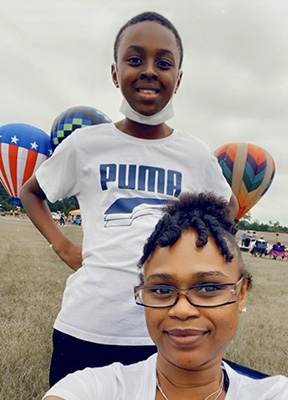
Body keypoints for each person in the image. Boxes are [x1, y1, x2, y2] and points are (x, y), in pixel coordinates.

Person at [20, 11, 237, 386]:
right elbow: (31, 192)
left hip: (162, 329)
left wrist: (199, 261)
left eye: (164, 62)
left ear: (179, 78)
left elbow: (227, 208)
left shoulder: (195, 154)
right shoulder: (87, 144)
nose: (150, 70)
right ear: (115, 73)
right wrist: (63, 246)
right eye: (135, 59)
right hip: (87, 325)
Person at [42, 193, 288, 400]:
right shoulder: (93, 388)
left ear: (241, 293)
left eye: (209, 288)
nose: (182, 310)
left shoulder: (274, 393)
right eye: (161, 290)